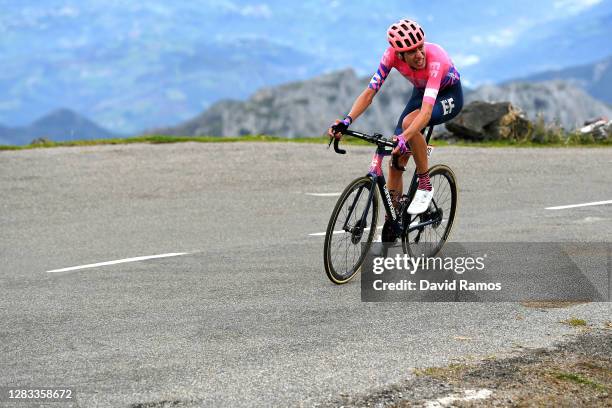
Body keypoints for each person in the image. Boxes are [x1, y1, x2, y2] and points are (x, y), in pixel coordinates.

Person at [328, 19, 463, 242]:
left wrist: (405, 136)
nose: (419, 54)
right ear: (399, 55)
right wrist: (346, 121)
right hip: (422, 92)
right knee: (396, 156)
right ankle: (394, 218)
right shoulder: (390, 56)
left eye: (421, 47)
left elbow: (426, 113)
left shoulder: (435, 58)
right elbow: (369, 93)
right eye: (411, 52)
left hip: (448, 95)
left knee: (409, 126)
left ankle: (425, 184)